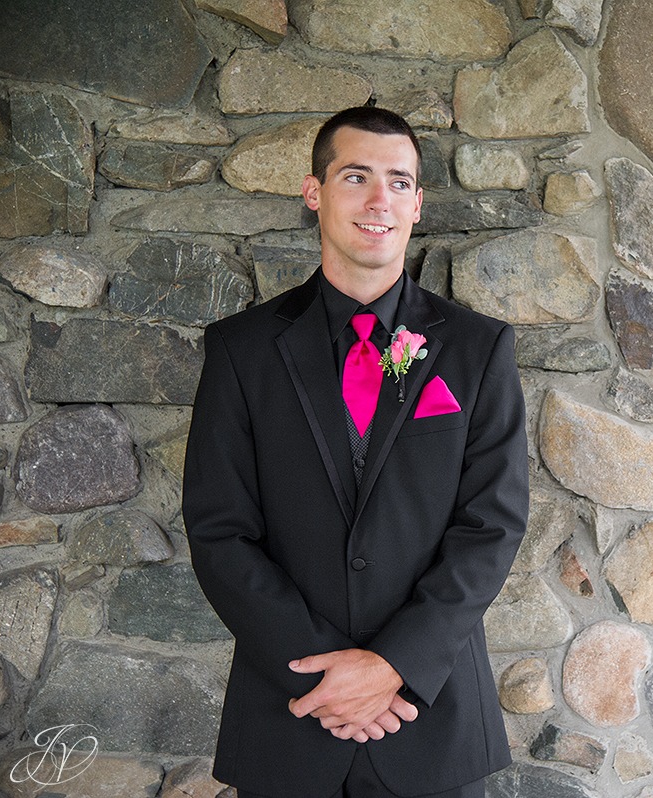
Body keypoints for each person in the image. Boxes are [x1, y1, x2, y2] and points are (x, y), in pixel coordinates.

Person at [182, 106, 528, 798]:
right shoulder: (240, 351)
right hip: (293, 716)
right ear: (315, 191)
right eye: (356, 176)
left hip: (430, 716)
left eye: (399, 182)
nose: (380, 200)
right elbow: (220, 532)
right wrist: (328, 679)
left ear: (419, 203)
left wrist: (392, 665)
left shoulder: (478, 348)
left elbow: (492, 525)